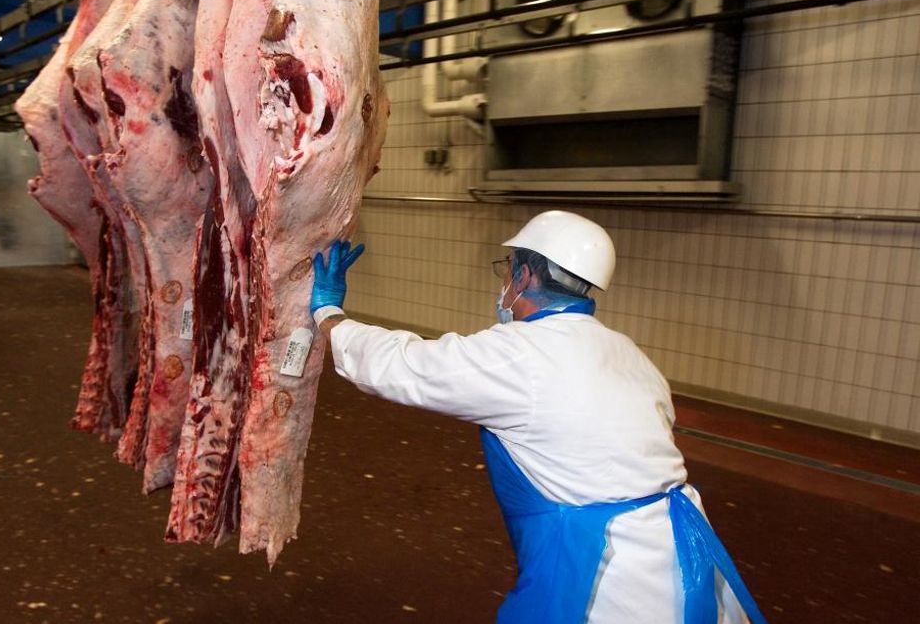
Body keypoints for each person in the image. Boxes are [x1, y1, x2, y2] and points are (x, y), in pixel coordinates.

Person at [310, 210, 766, 624]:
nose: (504, 281)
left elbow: (404, 365)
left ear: (524, 276)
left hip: (606, 576)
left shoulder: (519, 354)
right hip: (685, 557)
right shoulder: (627, 351)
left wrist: (330, 312)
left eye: (508, 269)